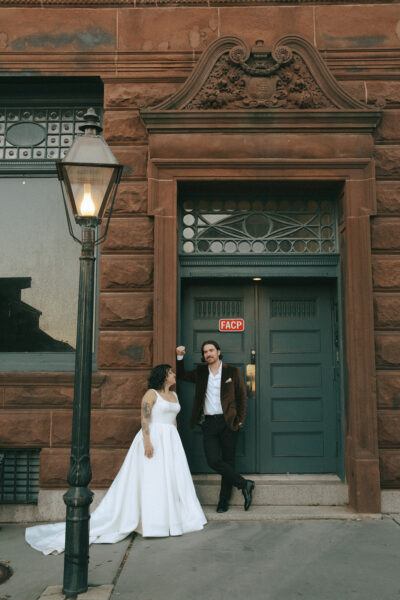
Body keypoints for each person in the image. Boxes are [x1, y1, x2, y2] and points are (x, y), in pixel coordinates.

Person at [25, 365, 206, 554]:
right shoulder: (151, 394)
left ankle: (172, 519)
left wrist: (174, 441)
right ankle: (153, 522)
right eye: (171, 373)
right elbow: (144, 418)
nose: (174, 375)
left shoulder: (175, 396)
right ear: (163, 376)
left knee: (171, 479)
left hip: (170, 441)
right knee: (153, 479)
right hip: (153, 438)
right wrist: (147, 441)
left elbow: (174, 420)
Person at [176, 341, 255, 513]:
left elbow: (242, 397)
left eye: (211, 350)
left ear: (219, 352)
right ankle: (244, 484)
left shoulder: (232, 372)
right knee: (213, 460)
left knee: (228, 461)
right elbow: (180, 374)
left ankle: (223, 502)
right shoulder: (201, 372)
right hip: (209, 423)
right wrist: (180, 356)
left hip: (228, 422)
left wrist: (239, 420)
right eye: (205, 352)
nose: (208, 354)